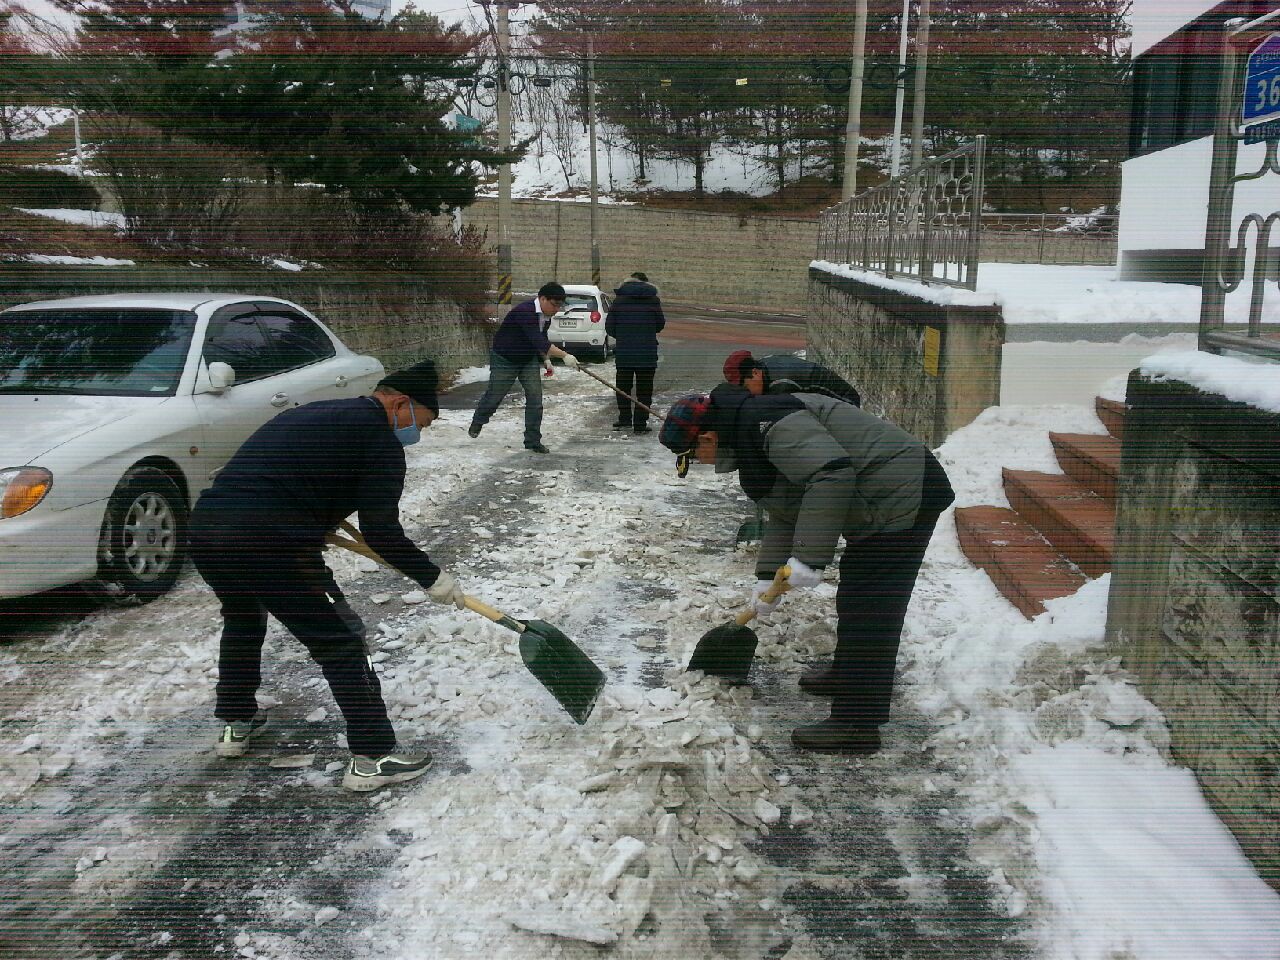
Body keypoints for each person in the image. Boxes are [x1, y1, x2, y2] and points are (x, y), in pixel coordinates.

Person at [190, 360, 467, 793]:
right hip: (273, 540)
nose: (416, 434)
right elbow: (382, 533)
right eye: (421, 423)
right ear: (398, 403)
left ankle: (236, 721)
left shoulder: (312, 413)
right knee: (339, 641)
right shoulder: (380, 441)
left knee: (243, 619)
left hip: (207, 529)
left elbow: (283, 473)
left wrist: (315, 516)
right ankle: (375, 757)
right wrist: (432, 578)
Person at [658, 384, 954, 755]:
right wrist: (768, 576)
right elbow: (789, 506)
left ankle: (857, 725)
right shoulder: (752, 434)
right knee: (855, 597)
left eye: (692, 455)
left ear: (708, 437)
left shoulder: (771, 424)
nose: (699, 463)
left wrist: (809, 558)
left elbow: (831, 474)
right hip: (879, 498)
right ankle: (848, 676)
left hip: (904, 492)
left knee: (872, 609)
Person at [468, 282, 581, 454]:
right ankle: (478, 420)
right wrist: (564, 355)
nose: (556, 309)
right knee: (495, 395)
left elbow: (541, 338)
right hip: (505, 359)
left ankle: (533, 441)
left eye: (560, 305)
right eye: (554, 304)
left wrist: (546, 359)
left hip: (527, 360)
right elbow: (539, 340)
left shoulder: (546, 315)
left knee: (535, 399)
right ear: (542, 299)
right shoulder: (525, 312)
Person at [605, 271, 666, 434]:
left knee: (623, 388)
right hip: (647, 353)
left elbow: (609, 327)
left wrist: (625, 336)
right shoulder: (653, 300)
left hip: (625, 353)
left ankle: (624, 419)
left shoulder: (619, 301)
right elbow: (660, 324)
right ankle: (640, 424)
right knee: (644, 390)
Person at [723, 349, 861, 407]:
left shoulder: (781, 384)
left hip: (846, 403)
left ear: (755, 373)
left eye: (746, 387)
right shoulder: (763, 365)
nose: (747, 394)